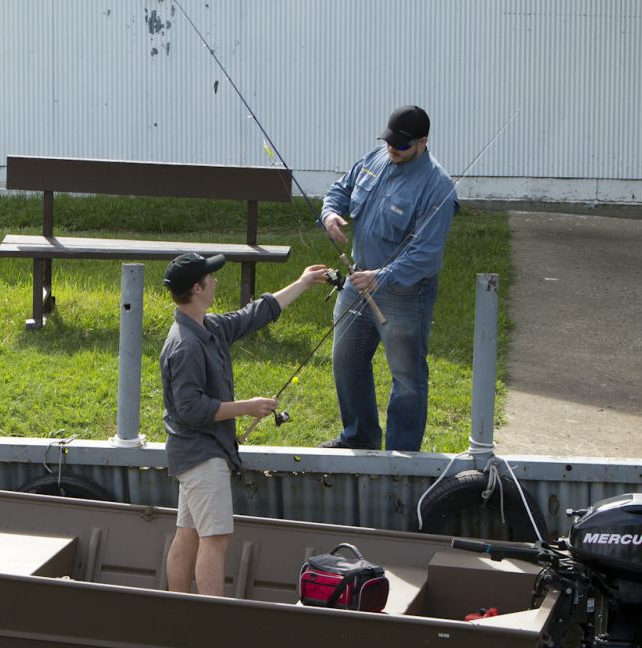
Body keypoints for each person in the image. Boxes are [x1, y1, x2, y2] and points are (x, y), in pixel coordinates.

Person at [159, 253, 330, 596]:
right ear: (197, 287)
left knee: (189, 533)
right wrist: (246, 408)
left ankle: (175, 608)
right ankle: (213, 619)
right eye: (211, 277)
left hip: (193, 454)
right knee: (215, 539)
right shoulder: (187, 345)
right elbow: (191, 409)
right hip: (202, 456)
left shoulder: (209, 326)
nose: (216, 280)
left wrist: (302, 283)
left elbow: (254, 314)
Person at [318, 105, 458, 452]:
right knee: (346, 361)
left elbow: (425, 254)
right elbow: (342, 187)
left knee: (407, 377)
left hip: (405, 294)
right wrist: (331, 213)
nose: (392, 150)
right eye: (390, 142)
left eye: (402, 146)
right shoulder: (377, 156)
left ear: (423, 142)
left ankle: (402, 455)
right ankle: (360, 437)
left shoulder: (437, 187)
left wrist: (382, 277)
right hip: (356, 282)